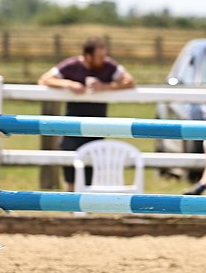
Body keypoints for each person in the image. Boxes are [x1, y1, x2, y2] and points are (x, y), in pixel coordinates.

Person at [38, 36, 136, 190]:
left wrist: (105, 87)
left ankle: (86, 204)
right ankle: (71, 203)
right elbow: (45, 79)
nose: (103, 59)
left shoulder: (108, 66)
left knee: (91, 165)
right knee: (69, 163)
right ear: (88, 56)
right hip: (72, 123)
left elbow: (129, 81)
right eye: (100, 56)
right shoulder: (72, 65)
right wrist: (68, 84)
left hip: (97, 124)